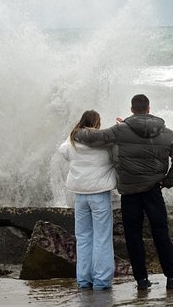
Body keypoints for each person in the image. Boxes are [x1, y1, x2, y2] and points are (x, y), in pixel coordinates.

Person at [74, 94, 173, 290]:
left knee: (133, 236)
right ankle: (172, 278)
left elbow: (93, 138)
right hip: (154, 191)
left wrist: (76, 132)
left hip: (129, 193)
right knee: (161, 233)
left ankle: (141, 281)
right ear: (149, 109)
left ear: (132, 109)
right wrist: (168, 181)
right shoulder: (167, 133)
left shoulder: (120, 131)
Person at [58, 110, 116, 291]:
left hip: (80, 195)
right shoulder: (104, 143)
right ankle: (101, 280)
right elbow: (116, 156)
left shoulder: (73, 141)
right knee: (102, 237)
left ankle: (83, 279)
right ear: (98, 124)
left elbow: (63, 150)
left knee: (83, 237)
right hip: (99, 194)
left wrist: (73, 134)